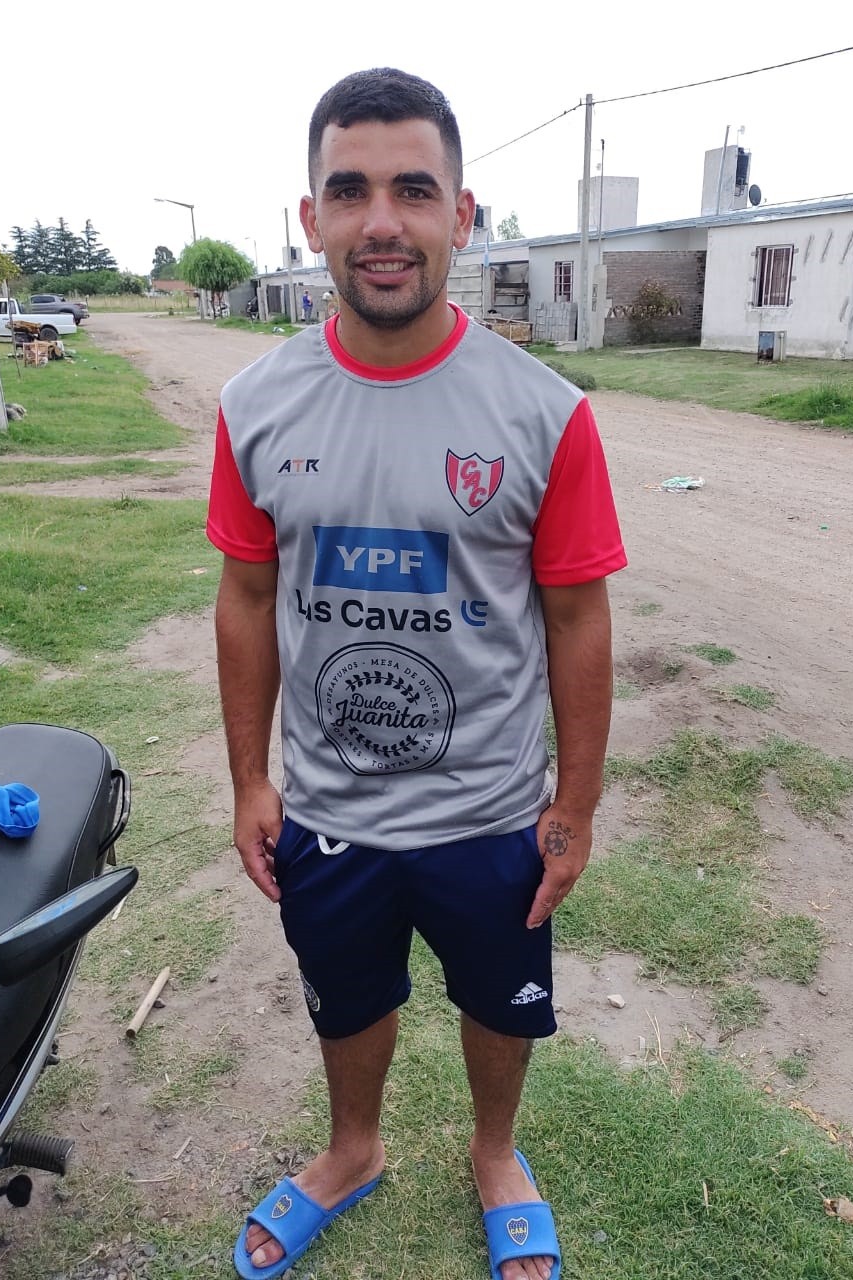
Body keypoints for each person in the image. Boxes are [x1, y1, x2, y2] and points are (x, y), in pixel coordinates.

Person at [207, 67, 626, 1280]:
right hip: (331, 809)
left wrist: (574, 804)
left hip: (489, 812)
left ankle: (497, 1152)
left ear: (463, 214)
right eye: (350, 191)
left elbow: (578, 618)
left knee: (500, 997)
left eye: (413, 190)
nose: (381, 220)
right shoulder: (254, 403)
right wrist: (250, 780)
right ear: (312, 219)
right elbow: (245, 596)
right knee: (346, 994)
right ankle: (353, 1148)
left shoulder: (546, 413)